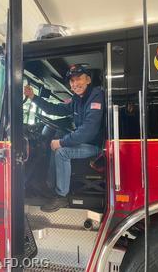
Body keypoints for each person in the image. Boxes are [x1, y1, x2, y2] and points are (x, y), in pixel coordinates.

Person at [24, 64, 105, 212]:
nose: (75, 84)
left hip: (95, 146)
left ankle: (61, 197)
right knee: (58, 143)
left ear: (88, 79)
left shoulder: (95, 97)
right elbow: (54, 109)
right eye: (72, 81)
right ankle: (50, 185)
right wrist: (33, 97)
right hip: (85, 142)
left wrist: (61, 142)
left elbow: (88, 131)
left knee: (62, 152)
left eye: (79, 79)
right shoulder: (76, 99)